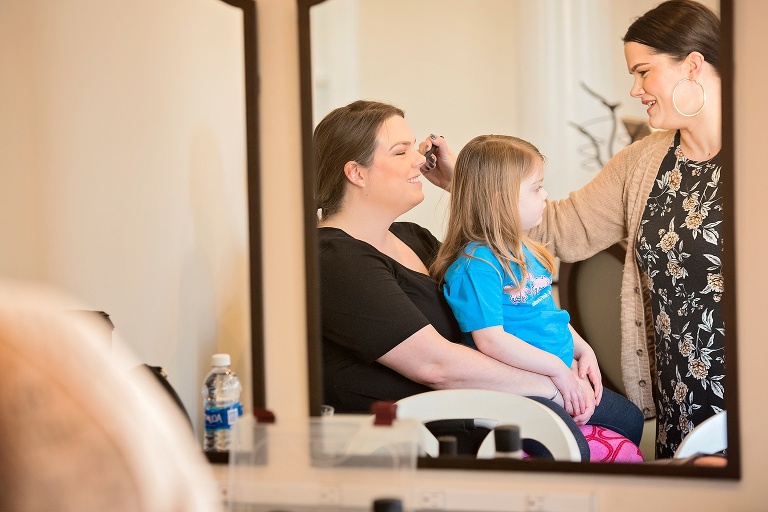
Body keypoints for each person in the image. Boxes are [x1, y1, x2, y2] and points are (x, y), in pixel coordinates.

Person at [315, 100, 596, 457]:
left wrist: (463, 183)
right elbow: (437, 366)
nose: (419, 159)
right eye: (401, 152)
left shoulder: (413, 237)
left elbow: (501, 264)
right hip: (418, 444)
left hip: (477, 414)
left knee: (624, 420)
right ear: (357, 173)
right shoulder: (334, 259)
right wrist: (555, 383)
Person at [524, 0, 724, 459]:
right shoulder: (643, 161)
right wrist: (473, 185)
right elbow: (562, 228)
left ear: (692, 65)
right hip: (682, 395)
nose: (635, 90)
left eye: (643, 72)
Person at [430, 134, 643, 447]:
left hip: (558, 371)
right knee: (574, 444)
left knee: (631, 419)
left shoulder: (526, 250)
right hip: (525, 387)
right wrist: (558, 371)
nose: (545, 196)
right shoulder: (477, 267)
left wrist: (583, 350)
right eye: (536, 187)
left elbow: (546, 311)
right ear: (500, 200)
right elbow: (491, 340)